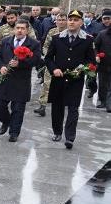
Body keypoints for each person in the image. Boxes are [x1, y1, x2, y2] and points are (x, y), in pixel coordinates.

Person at [44, 9, 96, 149]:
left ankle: (70, 137)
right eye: (70, 19)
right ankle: (57, 132)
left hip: (76, 80)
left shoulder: (87, 39)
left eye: (76, 20)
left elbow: (91, 61)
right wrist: (54, 68)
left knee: (73, 109)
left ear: (81, 22)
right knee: (57, 107)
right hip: (58, 78)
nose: (72, 22)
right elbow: (48, 58)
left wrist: (82, 69)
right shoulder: (57, 38)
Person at [0, 19, 41, 142]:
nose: (19, 30)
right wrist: (1, 66)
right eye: (18, 28)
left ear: (27, 30)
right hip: (4, 79)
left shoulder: (34, 44)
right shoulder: (5, 41)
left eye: (22, 28)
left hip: (21, 81)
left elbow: (35, 60)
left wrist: (20, 63)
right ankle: (6, 121)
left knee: (18, 108)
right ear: (14, 29)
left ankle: (14, 132)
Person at [34, 13, 68, 117]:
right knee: (46, 84)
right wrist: (48, 56)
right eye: (59, 20)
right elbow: (45, 46)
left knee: (65, 86)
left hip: (66, 64)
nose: (61, 22)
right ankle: (42, 106)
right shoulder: (52, 31)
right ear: (56, 21)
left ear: (66, 21)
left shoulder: (70, 32)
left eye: (63, 20)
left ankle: (64, 105)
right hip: (52, 63)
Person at [94, 9, 111, 111]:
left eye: (109, 18)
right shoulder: (102, 33)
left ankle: (109, 105)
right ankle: (103, 101)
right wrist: (96, 56)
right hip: (103, 63)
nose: (106, 21)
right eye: (105, 19)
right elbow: (95, 46)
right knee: (102, 84)